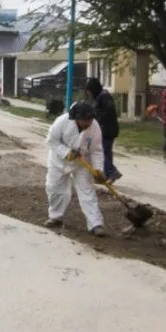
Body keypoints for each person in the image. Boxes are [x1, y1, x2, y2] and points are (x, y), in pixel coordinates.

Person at [44, 100, 107, 237]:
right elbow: (51, 141)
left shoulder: (95, 127)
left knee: (87, 191)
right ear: (76, 118)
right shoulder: (61, 122)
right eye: (85, 121)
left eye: (89, 120)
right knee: (55, 189)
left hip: (82, 163)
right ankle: (56, 217)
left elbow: (96, 150)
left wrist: (98, 169)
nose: (88, 124)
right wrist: (66, 152)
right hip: (58, 161)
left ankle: (95, 223)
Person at [84, 77, 121, 183]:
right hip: (108, 129)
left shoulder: (103, 97)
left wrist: (95, 120)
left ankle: (111, 172)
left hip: (106, 130)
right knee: (106, 152)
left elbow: (106, 114)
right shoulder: (103, 96)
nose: (88, 94)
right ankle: (106, 175)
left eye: (89, 91)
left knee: (100, 152)